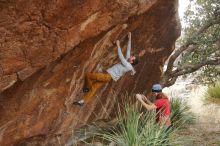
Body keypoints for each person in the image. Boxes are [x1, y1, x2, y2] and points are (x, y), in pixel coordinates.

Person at [73, 32, 139, 106]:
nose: (131, 56)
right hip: (107, 77)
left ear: (132, 61)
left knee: (88, 75)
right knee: (94, 88)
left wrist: (118, 45)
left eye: (132, 57)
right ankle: (82, 102)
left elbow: (121, 58)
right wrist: (130, 39)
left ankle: (87, 88)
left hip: (107, 76)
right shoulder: (128, 62)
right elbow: (128, 51)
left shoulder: (128, 66)